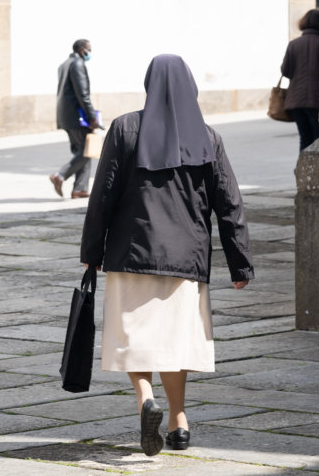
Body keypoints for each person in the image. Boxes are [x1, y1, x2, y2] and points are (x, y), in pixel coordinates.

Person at [80, 54, 254, 456]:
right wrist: (239, 263)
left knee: (131, 335)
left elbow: (102, 197)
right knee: (175, 340)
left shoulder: (125, 128)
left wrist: (92, 251)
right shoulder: (208, 137)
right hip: (186, 261)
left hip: (131, 253)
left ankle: (145, 399)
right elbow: (229, 204)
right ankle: (179, 421)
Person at [50, 39, 99, 199]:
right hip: (77, 116)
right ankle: (60, 175)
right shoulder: (77, 64)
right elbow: (82, 94)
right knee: (86, 152)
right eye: (89, 49)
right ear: (82, 49)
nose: (90, 53)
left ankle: (80, 189)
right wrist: (92, 117)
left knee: (84, 150)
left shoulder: (64, 64)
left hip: (65, 115)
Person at [280, 9, 319, 151]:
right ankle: (317, 170)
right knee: (318, 138)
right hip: (317, 99)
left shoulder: (294, 44)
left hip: (295, 100)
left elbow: (285, 71)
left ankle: (303, 171)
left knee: (304, 138)